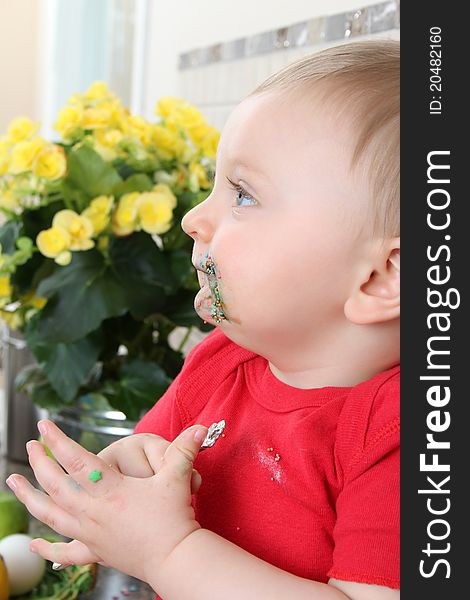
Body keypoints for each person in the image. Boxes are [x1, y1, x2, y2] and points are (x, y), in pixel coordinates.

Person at [6, 39, 400, 599]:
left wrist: (167, 551)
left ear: (382, 277)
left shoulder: (405, 433)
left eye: (243, 194)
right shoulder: (223, 361)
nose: (194, 218)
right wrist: (123, 481)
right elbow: (148, 462)